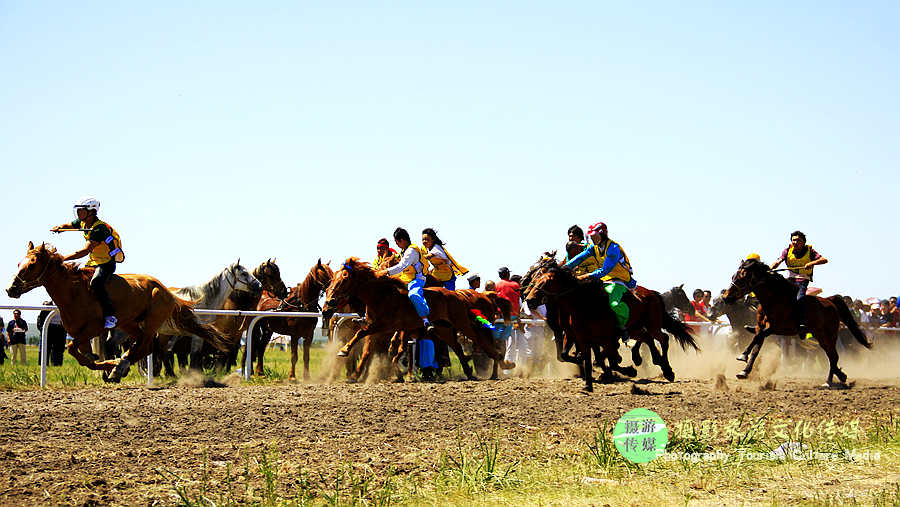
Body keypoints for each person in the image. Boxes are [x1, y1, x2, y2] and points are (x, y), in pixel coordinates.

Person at [51, 197, 124, 329]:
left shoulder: (99, 229)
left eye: (81, 210)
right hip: (93, 261)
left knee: (96, 283)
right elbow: (71, 225)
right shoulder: (83, 222)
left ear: (91, 211)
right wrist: (61, 227)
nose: (79, 213)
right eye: (78, 210)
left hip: (106, 263)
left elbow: (84, 251)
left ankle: (110, 316)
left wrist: (63, 258)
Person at [377, 228, 436, 380]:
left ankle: (425, 319)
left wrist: (386, 272)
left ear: (400, 240)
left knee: (413, 294)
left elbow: (401, 267)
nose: (397, 245)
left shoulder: (410, 251)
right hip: (406, 278)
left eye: (397, 242)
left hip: (417, 280)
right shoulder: (404, 251)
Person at [563, 221, 636, 339]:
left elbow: (605, 270)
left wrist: (586, 276)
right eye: (591, 236)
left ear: (602, 234)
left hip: (619, 280)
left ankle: (623, 327)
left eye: (595, 236)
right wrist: (563, 268)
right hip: (603, 280)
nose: (592, 238)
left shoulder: (613, 248)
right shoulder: (594, 248)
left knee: (614, 304)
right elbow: (579, 258)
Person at [769, 230, 827, 339]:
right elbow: (778, 261)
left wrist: (812, 263)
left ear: (803, 242)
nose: (795, 242)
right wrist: (771, 267)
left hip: (802, 280)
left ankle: (802, 323)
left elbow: (824, 260)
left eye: (798, 240)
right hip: (789, 280)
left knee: (800, 298)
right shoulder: (787, 251)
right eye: (793, 240)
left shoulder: (810, 251)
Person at [495, 267, 524, 373]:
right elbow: (517, 300)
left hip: (500, 316)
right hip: (512, 316)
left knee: (497, 340)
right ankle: (502, 363)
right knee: (503, 341)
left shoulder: (496, 285)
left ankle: (500, 364)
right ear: (507, 274)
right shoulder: (516, 285)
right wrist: (518, 317)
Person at [37, 302, 67, 366]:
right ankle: (43, 365)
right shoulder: (47, 305)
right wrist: (42, 329)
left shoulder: (65, 304)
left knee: (59, 349)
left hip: (60, 328)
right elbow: (41, 318)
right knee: (45, 348)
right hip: (48, 328)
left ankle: (57, 365)